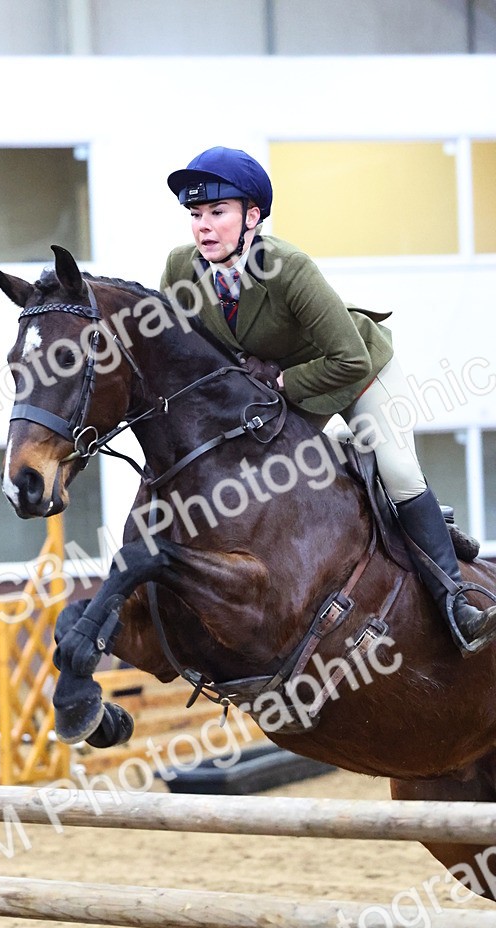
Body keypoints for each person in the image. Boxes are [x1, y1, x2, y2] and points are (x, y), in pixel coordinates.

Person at [162, 145, 496, 656]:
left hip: (358, 373)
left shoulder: (289, 267)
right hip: (291, 387)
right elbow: (179, 350)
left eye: (218, 213)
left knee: (398, 469)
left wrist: (279, 385)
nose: (204, 226)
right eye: (196, 215)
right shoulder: (181, 269)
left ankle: (458, 601)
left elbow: (350, 361)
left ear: (252, 217)